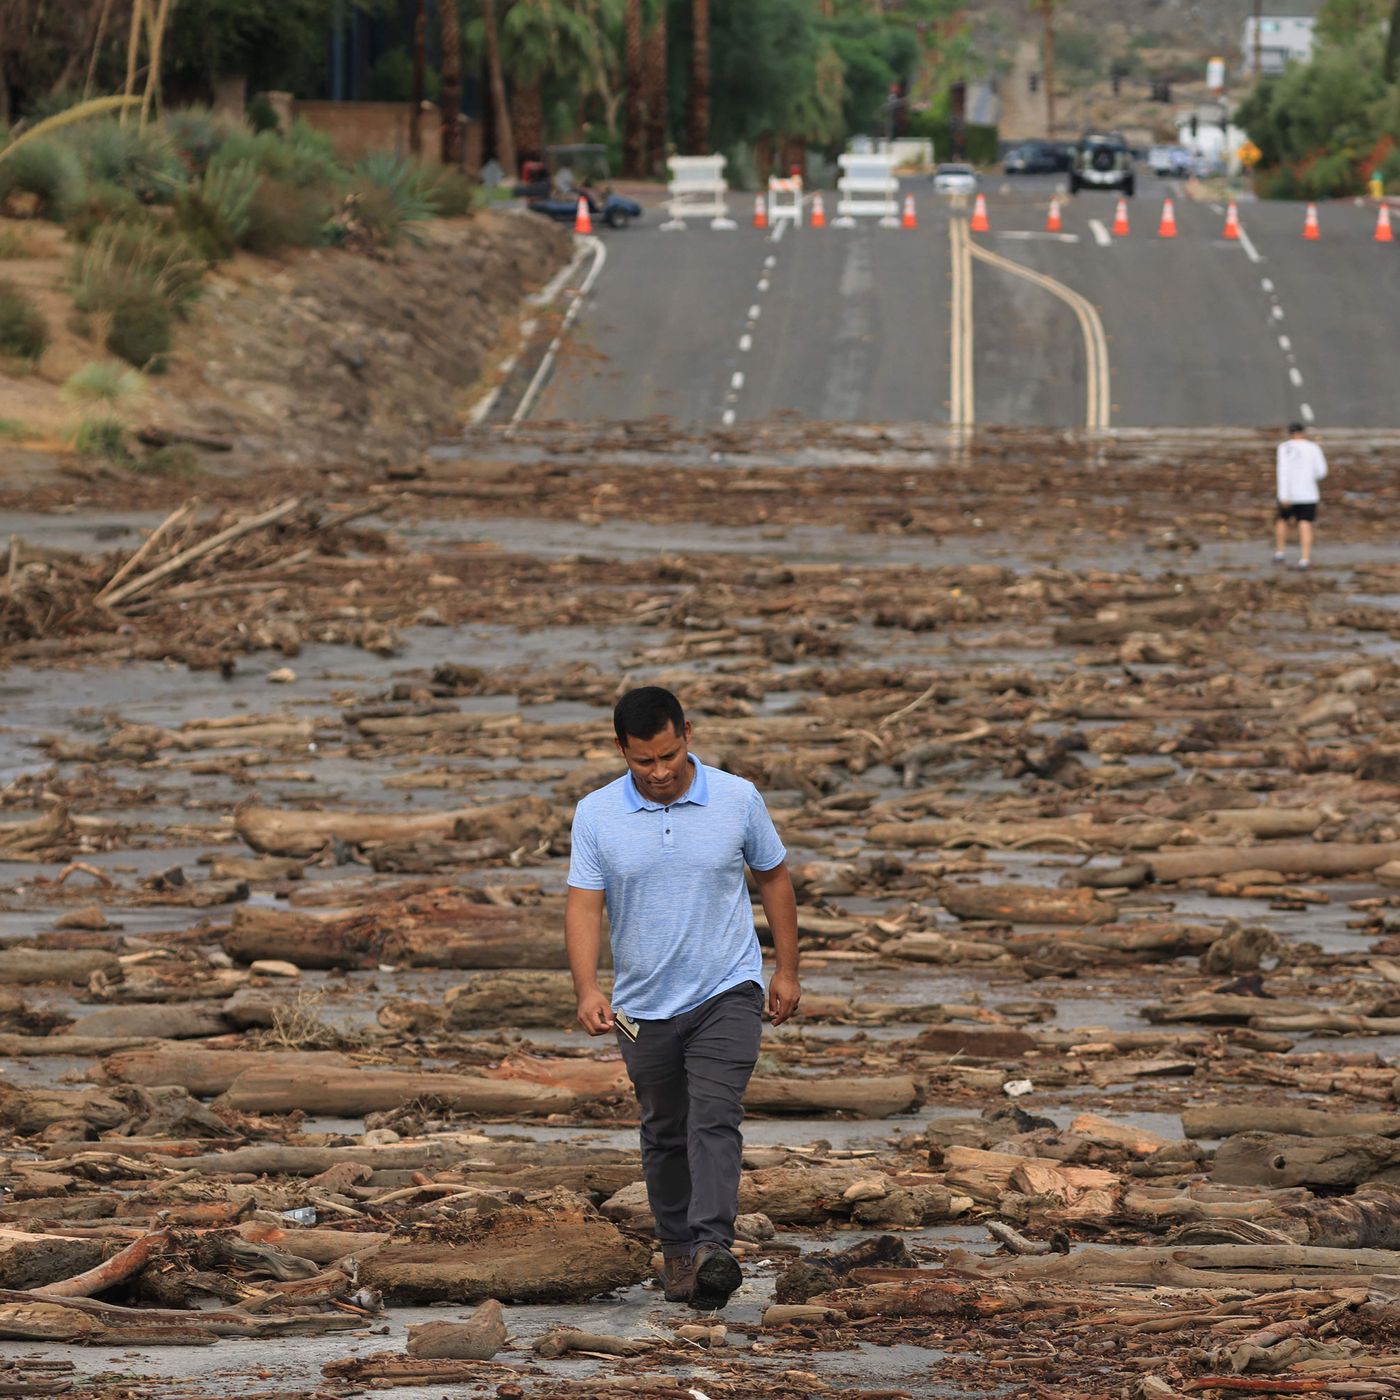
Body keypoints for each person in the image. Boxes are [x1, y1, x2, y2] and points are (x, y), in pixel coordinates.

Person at [565, 686, 800, 1311]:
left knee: (713, 1115)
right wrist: (588, 987)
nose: (661, 771)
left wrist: (786, 970)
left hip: (729, 987)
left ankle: (713, 1247)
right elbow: (584, 903)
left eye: (669, 755)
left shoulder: (737, 798)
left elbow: (773, 876)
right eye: (644, 761)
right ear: (621, 750)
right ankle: (677, 1251)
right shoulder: (595, 815)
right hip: (642, 1007)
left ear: (687, 734)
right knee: (664, 1129)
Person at [1274, 421, 1327, 570]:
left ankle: (1280, 552)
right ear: (1303, 432)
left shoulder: (1284, 447)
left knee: (1282, 520)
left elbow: (1282, 472)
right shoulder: (1313, 447)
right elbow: (1322, 472)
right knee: (1305, 523)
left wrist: (1283, 495)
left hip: (1288, 493)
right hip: (1308, 493)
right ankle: (1305, 559)